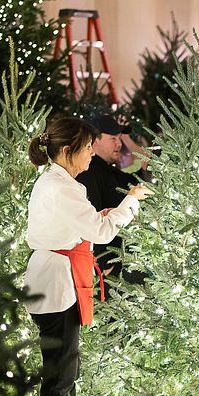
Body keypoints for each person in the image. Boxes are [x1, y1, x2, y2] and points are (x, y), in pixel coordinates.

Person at [23, 116, 150, 396]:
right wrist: (130, 202)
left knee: (60, 376)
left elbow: (85, 225)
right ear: (67, 152)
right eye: (86, 148)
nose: (92, 155)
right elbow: (99, 231)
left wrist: (102, 217)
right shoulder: (62, 188)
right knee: (60, 379)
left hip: (53, 278)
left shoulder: (57, 184)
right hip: (57, 283)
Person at [76, 113, 148, 284]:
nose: (119, 144)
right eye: (113, 138)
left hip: (122, 263)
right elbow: (92, 219)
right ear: (96, 140)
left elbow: (146, 165)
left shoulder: (110, 171)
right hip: (107, 270)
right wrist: (104, 262)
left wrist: (127, 138)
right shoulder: (89, 173)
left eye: (119, 138)